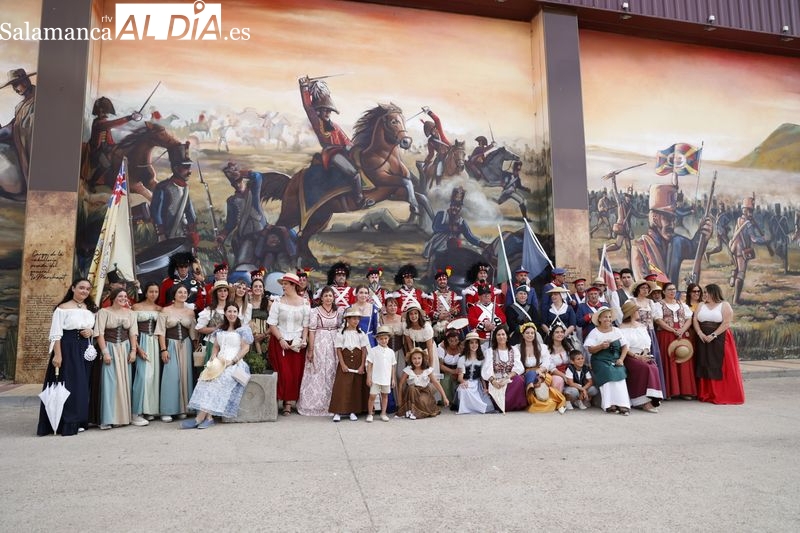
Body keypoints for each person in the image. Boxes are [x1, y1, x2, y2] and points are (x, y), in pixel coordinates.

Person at [298, 76, 373, 208]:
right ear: (318, 111)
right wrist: (304, 87)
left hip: (343, 152)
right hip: (331, 154)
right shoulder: (317, 122)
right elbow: (307, 106)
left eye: (329, 110)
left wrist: (358, 149)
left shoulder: (336, 126)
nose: (327, 113)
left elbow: (347, 142)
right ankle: (359, 200)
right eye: (324, 110)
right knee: (354, 174)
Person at [37, 279, 97, 436]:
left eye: (87, 289)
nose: (84, 291)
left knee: (82, 385)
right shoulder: (62, 308)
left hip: (85, 349)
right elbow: (56, 333)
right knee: (69, 384)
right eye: (81, 288)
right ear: (73, 288)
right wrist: (58, 354)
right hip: (67, 348)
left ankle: (80, 420)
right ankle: (67, 422)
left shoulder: (90, 308)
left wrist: (90, 331)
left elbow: (94, 328)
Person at [181, 303, 253, 429]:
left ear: (238, 313)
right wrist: (213, 357)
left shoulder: (242, 329)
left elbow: (245, 348)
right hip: (219, 362)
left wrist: (233, 361)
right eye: (229, 311)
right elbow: (215, 347)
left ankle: (199, 418)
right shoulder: (220, 329)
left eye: (235, 311)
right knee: (205, 380)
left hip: (234, 363)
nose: (232, 314)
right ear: (225, 313)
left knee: (217, 381)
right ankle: (208, 418)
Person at [631, 184, 713, 283]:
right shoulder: (639, 247)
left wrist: (703, 235)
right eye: (668, 219)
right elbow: (643, 286)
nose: (672, 225)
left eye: (674, 220)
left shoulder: (677, 242)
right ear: (655, 218)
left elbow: (694, 249)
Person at [94, 288, 140, 429]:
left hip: (124, 348)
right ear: (113, 297)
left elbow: (133, 334)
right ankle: (107, 418)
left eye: (125, 296)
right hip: (110, 347)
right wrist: (105, 352)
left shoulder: (131, 314)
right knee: (109, 382)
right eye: (120, 296)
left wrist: (133, 351)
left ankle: (122, 417)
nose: (123, 298)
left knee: (123, 382)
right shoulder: (104, 312)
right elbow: (99, 333)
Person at [693, 284, 745, 404]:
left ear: (714, 293)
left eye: (706, 292)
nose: (704, 295)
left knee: (719, 364)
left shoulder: (724, 305)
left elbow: (726, 322)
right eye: (704, 293)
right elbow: (695, 319)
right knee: (704, 362)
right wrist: (700, 333)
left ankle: (720, 394)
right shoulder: (701, 305)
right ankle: (706, 393)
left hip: (719, 339)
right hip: (702, 339)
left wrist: (713, 335)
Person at [267, 273, 310, 416]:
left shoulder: (304, 303)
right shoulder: (278, 302)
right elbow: (272, 324)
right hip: (281, 340)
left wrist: (304, 340)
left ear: (293, 286)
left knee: (296, 373)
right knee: (284, 373)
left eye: (286, 284)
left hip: (297, 342)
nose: (283, 286)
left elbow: (306, 324)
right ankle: (285, 402)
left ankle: (293, 401)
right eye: (283, 284)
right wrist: (281, 339)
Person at [297, 286, 343, 416]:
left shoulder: (337, 312)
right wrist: (311, 350)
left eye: (330, 296)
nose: (328, 298)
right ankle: (314, 405)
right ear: (321, 298)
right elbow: (311, 331)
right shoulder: (315, 311)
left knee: (331, 372)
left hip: (333, 343)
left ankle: (332, 404)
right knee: (316, 372)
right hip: (319, 343)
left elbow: (340, 328)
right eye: (326, 296)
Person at [155, 285, 197, 422]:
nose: (183, 294)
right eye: (180, 292)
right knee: (171, 377)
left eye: (185, 292)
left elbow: (193, 334)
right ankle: (168, 410)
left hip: (186, 345)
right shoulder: (165, 310)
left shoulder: (190, 312)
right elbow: (161, 332)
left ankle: (183, 409)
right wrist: (163, 349)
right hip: (171, 345)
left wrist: (196, 348)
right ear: (174, 294)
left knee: (186, 376)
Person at [216, 162, 268, 268]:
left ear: (242, 180)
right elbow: (231, 223)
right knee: (242, 263)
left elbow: (258, 177)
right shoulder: (231, 201)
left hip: (262, 233)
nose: (237, 184)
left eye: (238, 181)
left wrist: (241, 173)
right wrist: (223, 235)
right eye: (234, 183)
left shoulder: (253, 192)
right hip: (246, 236)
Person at [422, 187, 486, 270]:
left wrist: (481, 243)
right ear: (450, 205)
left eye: (458, 206)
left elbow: (469, 236)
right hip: (438, 246)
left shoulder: (461, 221)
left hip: (453, 248)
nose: (455, 208)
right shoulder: (441, 214)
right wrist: (450, 228)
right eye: (454, 205)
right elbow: (435, 227)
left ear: (460, 208)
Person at [151, 142, 201, 247]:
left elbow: (190, 213)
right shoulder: (163, 187)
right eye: (186, 167)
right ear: (176, 168)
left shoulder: (185, 188)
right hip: (166, 237)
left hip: (183, 236)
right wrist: (161, 234)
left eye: (189, 167)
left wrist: (193, 233)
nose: (190, 171)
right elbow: (156, 213)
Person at [583, 307, 631, 415]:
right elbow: (590, 349)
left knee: (619, 372)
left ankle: (623, 404)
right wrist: (600, 346)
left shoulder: (617, 331)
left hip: (615, 359)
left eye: (609, 317)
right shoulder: (594, 332)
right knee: (607, 372)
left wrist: (621, 359)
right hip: (600, 360)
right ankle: (610, 404)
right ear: (599, 319)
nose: (608, 319)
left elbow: (625, 347)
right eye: (605, 317)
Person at [618, 300, 663, 413]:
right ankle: (642, 402)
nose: (639, 312)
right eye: (637, 310)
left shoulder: (641, 326)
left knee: (653, 366)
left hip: (644, 354)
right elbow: (624, 347)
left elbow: (647, 342)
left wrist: (645, 353)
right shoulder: (621, 328)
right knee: (645, 368)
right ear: (631, 312)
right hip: (630, 356)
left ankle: (651, 400)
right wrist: (637, 356)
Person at [87, 96, 143, 187]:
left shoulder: (103, 121)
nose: (102, 112)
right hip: (97, 149)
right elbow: (113, 124)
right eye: (101, 110)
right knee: (106, 165)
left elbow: (109, 138)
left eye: (103, 111)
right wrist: (130, 118)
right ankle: (92, 182)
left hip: (107, 146)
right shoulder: (98, 122)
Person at [655, 282, 696, 400]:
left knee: (684, 358)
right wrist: (673, 330)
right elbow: (658, 320)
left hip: (681, 334)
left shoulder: (682, 304)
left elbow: (689, 319)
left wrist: (682, 330)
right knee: (669, 360)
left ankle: (685, 390)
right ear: (664, 292)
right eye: (669, 289)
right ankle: (670, 391)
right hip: (666, 334)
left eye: (674, 289)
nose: (672, 291)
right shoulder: (659, 305)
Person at [329, 307, 370, 421]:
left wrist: (362, 365)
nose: (356, 321)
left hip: (357, 363)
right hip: (345, 362)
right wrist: (342, 364)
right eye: (353, 319)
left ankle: (353, 411)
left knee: (355, 387)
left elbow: (364, 350)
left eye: (358, 319)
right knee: (342, 386)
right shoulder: (341, 334)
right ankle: (338, 411)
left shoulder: (361, 334)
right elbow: (338, 349)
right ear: (347, 319)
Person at [729, 195, 770, 304]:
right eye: (750, 210)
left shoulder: (739, 220)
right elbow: (754, 239)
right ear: (746, 210)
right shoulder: (748, 224)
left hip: (734, 248)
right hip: (742, 250)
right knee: (741, 274)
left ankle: (733, 276)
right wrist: (764, 239)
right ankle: (736, 300)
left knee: (737, 269)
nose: (751, 213)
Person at [518, 322, 566, 413]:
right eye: (527, 333)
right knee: (530, 377)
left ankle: (547, 397)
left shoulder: (542, 347)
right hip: (525, 373)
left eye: (532, 333)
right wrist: (528, 372)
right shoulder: (518, 348)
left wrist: (539, 370)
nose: (530, 335)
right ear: (523, 335)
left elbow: (547, 362)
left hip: (541, 372)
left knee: (540, 381)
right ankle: (531, 395)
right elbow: (517, 365)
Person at [131, 282, 162, 423]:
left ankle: (149, 410)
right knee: (142, 377)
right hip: (141, 341)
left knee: (153, 377)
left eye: (156, 292)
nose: (153, 294)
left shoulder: (159, 309)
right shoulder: (136, 307)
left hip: (154, 343)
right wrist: (137, 348)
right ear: (146, 292)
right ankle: (136, 411)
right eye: (151, 291)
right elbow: (131, 330)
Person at [0, 68, 36, 181]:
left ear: (25, 81)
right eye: (13, 86)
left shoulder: (40, 98)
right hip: (20, 145)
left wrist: (15, 129)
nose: (15, 89)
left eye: (16, 84)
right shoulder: (20, 106)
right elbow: (16, 121)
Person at [631, 280, 667, 394]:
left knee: (652, 358)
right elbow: (626, 317)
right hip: (637, 333)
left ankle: (655, 389)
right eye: (643, 288)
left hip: (650, 333)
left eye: (647, 288)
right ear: (637, 290)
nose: (645, 290)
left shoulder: (651, 302)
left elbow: (656, 318)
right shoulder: (632, 301)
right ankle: (641, 390)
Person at [481, 325, 527, 413]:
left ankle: (513, 404)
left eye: (503, 334)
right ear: (495, 337)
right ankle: (502, 404)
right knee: (499, 397)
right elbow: (487, 370)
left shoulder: (514, 350)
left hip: (509, 380)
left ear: (507, 336)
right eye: (498, 335)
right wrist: (494, 381)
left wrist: (506, 378)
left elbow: (519, 367)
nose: (501, 337)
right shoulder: (490, 351)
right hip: (496, 380)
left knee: (519, 379)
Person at [397, 347, 449, 419]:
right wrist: (400, 399)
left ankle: (416, 412)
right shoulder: (408, 370)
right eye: (414, 358)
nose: (417, 360)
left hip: (424, 392)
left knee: (422, 401)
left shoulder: (427, 370)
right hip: (411, 393)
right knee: (412, 388)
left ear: (422, 359)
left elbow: (436, 383)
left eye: (419, 358)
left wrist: (444, 397)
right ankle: (411, 411)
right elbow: (401, 384)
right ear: (411, 360)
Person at [455, 331, 495, 414]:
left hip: (477, 384)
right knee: (463, 391)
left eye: (476, 342)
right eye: (471, 343)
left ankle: (476, 407)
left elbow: (482, 376)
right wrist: (463, 382)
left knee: (486, 404)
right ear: (467, 345)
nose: (474, 345)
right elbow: (460, 378)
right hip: (466, 382)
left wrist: (485, 388)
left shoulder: (481, 359)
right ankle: (467, 408)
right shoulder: (462, 359)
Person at [365, 325, 397, 422]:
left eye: (386, 338)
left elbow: (393, 366)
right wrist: (369, 377)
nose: (384, 340)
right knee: (372, 396)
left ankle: (383, 413)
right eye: (381, 338)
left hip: (386, 378)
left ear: (388, 339)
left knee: (385, 396)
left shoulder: (391, 352)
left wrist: (393, 378)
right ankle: (370, 414)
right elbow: (369, 365)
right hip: (375, 378)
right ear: (378, 339)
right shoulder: (373, 351)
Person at [196, 281, 230, 366]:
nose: (223, 293)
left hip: (229, 345)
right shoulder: (210, 310)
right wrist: (215, 329)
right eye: (220, 291)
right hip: (212, 343)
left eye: (225, 290)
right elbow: (200, 328)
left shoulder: (232, 308)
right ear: (216, 293)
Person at [402, 303, 438, 379]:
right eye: (411, 314)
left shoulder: (426, 328)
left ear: (419, 315)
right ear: (408, 316)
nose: (413, 316)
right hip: (416, 351)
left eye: (415, 313)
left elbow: (430, 349)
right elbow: (410, 345)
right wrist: (413, 362)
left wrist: (430, 369)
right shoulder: (407, 327)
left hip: (427, 351)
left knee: (427, 375)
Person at [428, 268, 463, 343]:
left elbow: (458, 309)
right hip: (437, 323)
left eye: (444, 280)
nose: (442, 281)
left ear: (447, 281)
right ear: (437, 282)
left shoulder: (454, 294)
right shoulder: (432, 295)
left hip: (451, 322)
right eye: (440, 280)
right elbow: (429, 310)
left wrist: (455, 311)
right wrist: (438, 316)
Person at [421, 107, 451, 184]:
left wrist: (428, 111)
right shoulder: (430, 141)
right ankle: (438, 185)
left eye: (434, 129)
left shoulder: (439, 130)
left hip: (451, 150)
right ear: (429, 133)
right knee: (438, 171)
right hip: (441, 157)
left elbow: (437, 119)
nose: (434, 131)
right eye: (431, 132)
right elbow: (431, 154)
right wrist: (426, 162)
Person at [436, 328, 462, 407]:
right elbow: (440, 365)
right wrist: (452, 371)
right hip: (445, 371)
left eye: (456, 340)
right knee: (446, 383)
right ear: (447, 340)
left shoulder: (462, 346)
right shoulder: (441, 347)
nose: (454, 343)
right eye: (451, 341)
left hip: (459, 370)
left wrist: (457, 373)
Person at [249, 276, 272, 359]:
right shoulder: (247, 303)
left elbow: (274, 323)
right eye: (255, 286)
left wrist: (264, 334)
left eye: (260, 286)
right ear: (251, 289)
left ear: (263, 289)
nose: (258, 288)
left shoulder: (268, 304)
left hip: (265, 337)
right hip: (250, 338)